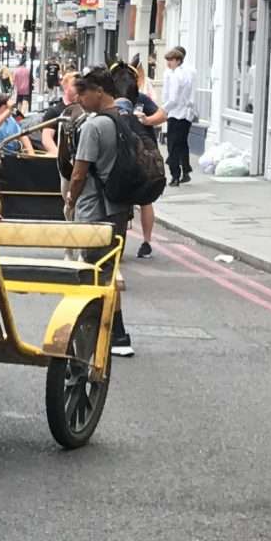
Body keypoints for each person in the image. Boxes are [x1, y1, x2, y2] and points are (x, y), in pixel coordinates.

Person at [61, 64, 135, 358]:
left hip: (94, 210)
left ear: (99, 91)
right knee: (108, 271)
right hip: (119, 208)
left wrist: (70, 200)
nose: (79, 99)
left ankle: (96, 334)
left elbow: (78, 174)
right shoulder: (124, 119)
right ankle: (118, 334)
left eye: (83, 93)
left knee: (92, 272)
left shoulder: (93, 126)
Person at [113, 61, 166, 257]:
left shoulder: (142, 100)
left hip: (143, 153)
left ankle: (146, 241)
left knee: (146, 199)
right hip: (120, 151)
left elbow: (163, 114)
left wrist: (147, 120)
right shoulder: (110, 100)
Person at [159, 45, 198, 185]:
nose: (168, 63)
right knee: (181, 143)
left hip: (176, 113)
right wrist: (192, 109)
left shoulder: (174, 75)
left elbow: (172, 97)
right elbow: (191, 93)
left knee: (173, 145)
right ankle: (185, 169)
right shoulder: (189, 72)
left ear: (178, 60)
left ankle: (175, 174)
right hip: (186, 113)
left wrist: (163, 109)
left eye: (170, 59)